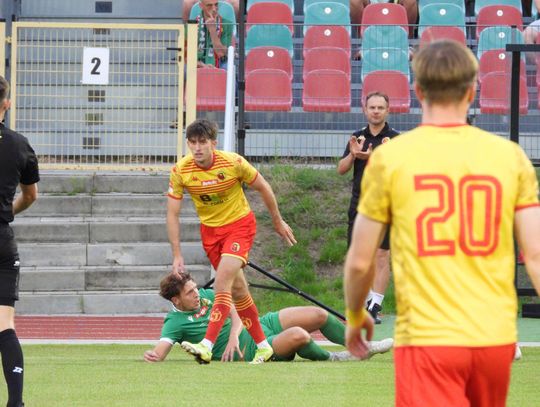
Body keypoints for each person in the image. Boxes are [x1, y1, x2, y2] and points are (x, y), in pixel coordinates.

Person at [343, 40, 540, 407]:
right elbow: (536, 254)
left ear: (418, 91)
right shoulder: (509, 156)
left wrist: (356, 315)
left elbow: (359, 260)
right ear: (472, 91)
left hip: (427, 337)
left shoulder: (391, 158)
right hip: (493, 336)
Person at [167, 118, 296, 364]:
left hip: (239, 227)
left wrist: (277, 221)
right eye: (192, 142)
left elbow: (264, 187)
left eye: (203, 142)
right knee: (238, 291)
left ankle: (206, 345)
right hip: (210, 233)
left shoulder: (233, 163)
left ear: (213, 143)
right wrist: (176, 254)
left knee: (222, 282)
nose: (197, 148)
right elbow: (172, 213)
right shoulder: (181, 171)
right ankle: (263, 346)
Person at [144, 272, 394, 363]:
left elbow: (234, 308)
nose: (197, 294)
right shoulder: (174, 323)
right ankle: (337, 358)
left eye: (195, 288)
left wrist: (233, 334)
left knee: (319, 315)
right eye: (190, 292)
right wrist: (153, 356)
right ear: (176, 300)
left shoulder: (207, 294)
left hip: (259, 325)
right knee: (299, 336)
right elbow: (161, 351)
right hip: (250, 350)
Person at [337, 92, 399, 324]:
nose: (376, 111)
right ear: (365, 110)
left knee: (382, 255)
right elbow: (341, 169)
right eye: (372, 107)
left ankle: (374, 307)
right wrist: (354, 155)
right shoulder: (357, 137)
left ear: (387, 110)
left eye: (380, 107)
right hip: (359, 205)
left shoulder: (396, 139)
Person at [0, 75, 40, 407]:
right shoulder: (19, 144)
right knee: (5, 323)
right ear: (7, 103)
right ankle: (16, 402)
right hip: (1, 238)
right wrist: (7, 211)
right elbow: (30, 196)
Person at [189, 0, 234, 69]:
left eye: (216, 5)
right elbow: (187, 56)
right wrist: (202, 66)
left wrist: (212, 31)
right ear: (201, 6)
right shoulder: (192, 25)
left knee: (227, 67)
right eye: (209, 5)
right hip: (198, 65)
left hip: (219, 64)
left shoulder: (227, 24)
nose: (214, 9)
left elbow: (222, 54)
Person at [350, 0, 418, 36]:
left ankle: (408, 42)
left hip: (394, 3)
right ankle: (362, 41)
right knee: (355, 1)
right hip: (370, 3)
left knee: (410, 1)